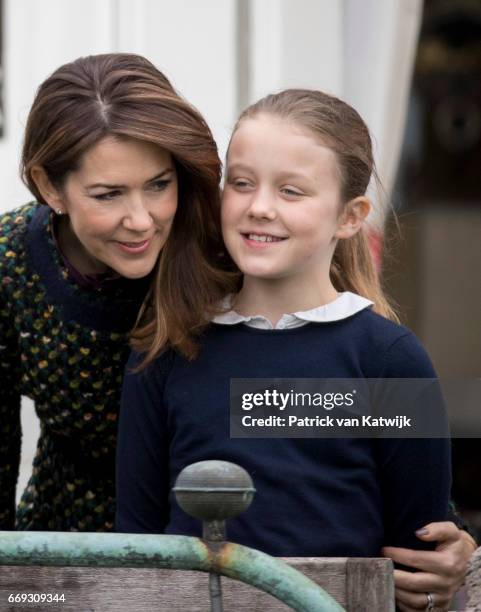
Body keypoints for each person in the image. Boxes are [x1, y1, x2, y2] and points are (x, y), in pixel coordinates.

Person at [116, 89, 476, 611]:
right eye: (241, 183)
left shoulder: (389, 361)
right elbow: (136, 542)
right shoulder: (165, 353)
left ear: (350, 217)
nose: (259, 207)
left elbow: (420, 556)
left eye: (291, 191)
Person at [0, 53, 235, 532]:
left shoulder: (228, 246)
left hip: (231, 552)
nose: (142, 220)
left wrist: (424, 526)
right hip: (69, 556)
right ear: (51, 187)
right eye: (108, 194)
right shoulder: (10, 267)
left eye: (158, 185)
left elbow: (351, 391)